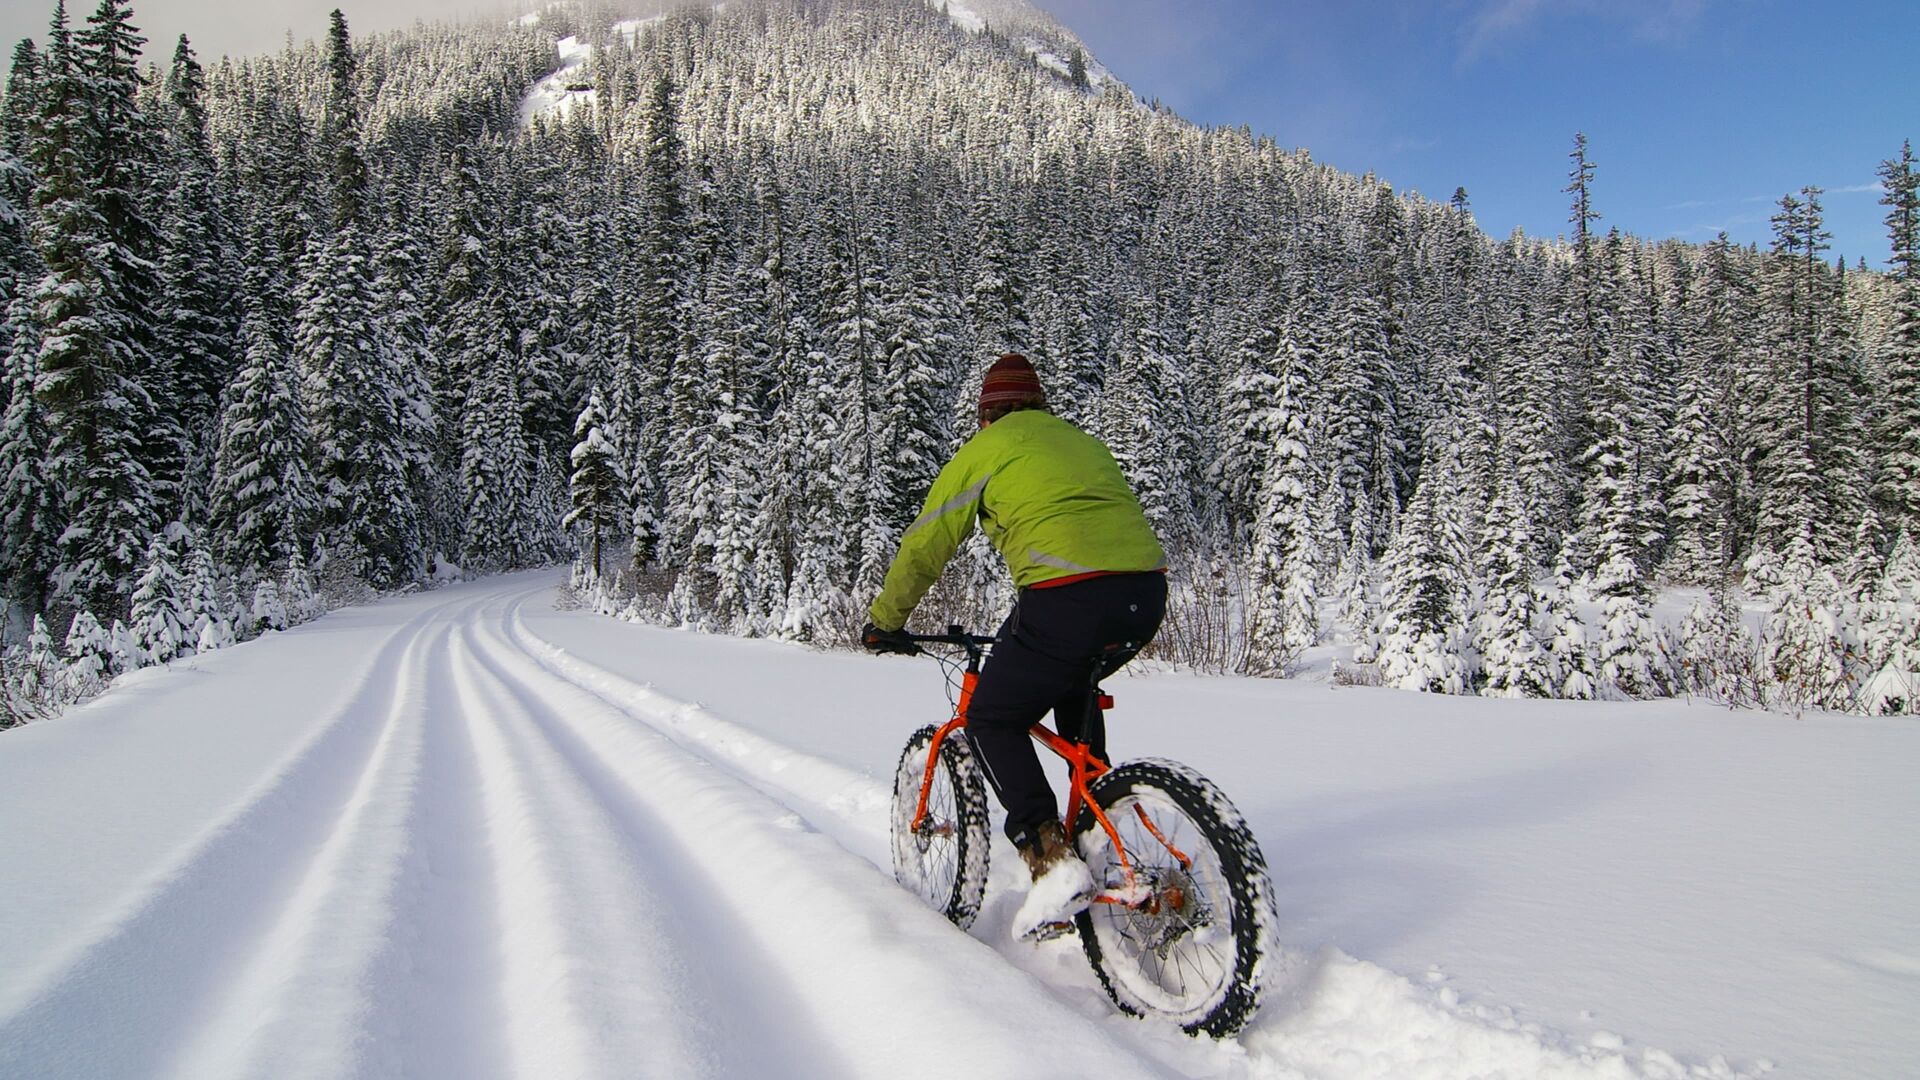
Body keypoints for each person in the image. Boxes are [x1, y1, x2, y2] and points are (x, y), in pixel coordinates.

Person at [862, 353, 1167, 938]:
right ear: (1039, 403)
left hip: (1064, 601)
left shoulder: (987, 450)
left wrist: (886, 620)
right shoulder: (1081, 442)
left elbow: (927, 542)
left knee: (991, 716)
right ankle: (1095, 828)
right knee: (1070, 678)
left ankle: (1050, 860)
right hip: (1145, 596)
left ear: (986, 415)